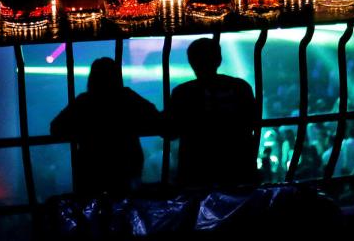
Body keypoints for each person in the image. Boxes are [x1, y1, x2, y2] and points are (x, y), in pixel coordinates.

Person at [51, 57, 162, 195]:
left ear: (92, 78)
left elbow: (56, 128)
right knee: (125, 208)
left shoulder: (84, 101)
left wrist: (82, 133)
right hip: (125, 165)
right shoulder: (127, 97)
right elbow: (157, 119)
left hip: (91, 166)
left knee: (91, 211)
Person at [170, 38, 257, 187]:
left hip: (196, 172)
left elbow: (171, 131)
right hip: (237, 167)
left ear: (191, 62)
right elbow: (253, 122)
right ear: (219, 60)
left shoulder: (182, 92)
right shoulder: (240, 87)